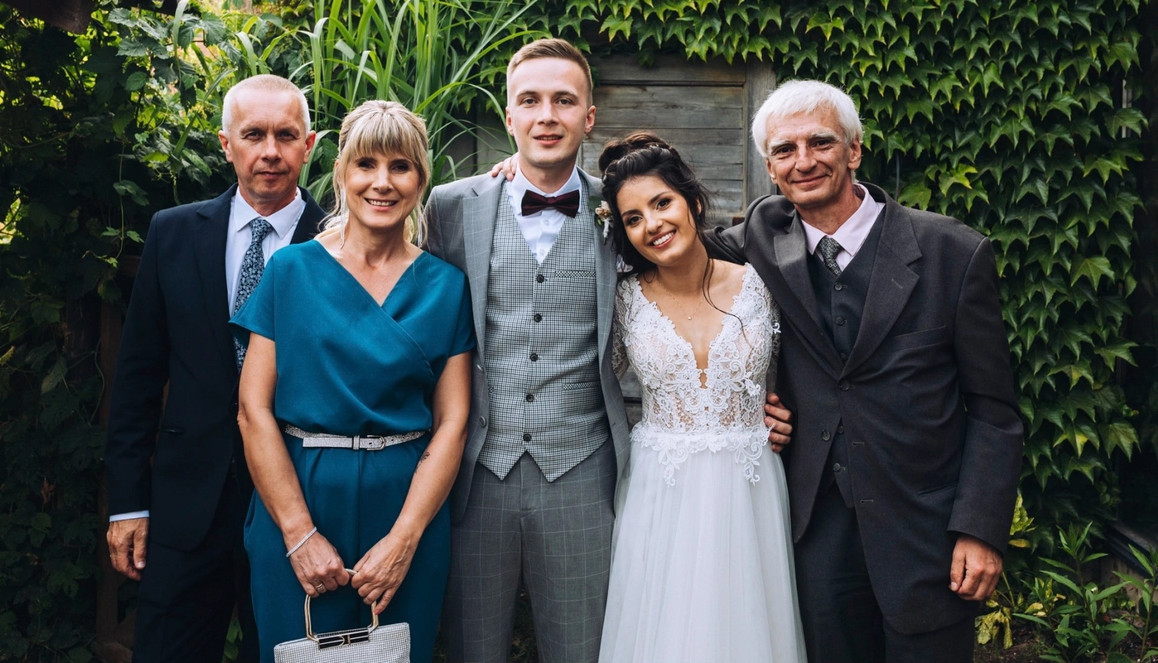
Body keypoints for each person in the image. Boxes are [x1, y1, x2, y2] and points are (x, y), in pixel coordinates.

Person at [438, 38, 795, 663]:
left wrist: (781, 405)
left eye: (563, 100)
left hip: (583, 473)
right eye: (530, 101)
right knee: (472, 648)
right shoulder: (451, 207)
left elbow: (708, 276)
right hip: (476, 474)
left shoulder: (623, 208)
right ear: (509, 115)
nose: (547, 115)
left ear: (589, 116)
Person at [707, 80, 1023, 663]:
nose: (804, 161)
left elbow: (994, 410)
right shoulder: (757, 240)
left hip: (927, 535)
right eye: (784, 150)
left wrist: (980, 529)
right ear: (770, 168)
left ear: (854, 150)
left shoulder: (953, 252)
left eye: (820, 142)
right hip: (816, 536)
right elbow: (660, 241)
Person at [230, 100, 475, 663]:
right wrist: (298, 533)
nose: (382, 182)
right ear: (341, 172)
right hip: (299, 496)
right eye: (366, 164)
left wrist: (405, 539)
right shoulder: (289, 270)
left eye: (400, 166)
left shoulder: (446, 286)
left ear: (421, 179)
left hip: (406, 505)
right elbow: (252, 409)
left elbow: (454, 420)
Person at [104, 74, 325, 663]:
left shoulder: (342, 240)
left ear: (308, 145)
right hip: (186, 505)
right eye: (253, 135)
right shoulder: (173, 232)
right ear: (226, 144)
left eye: (286, 135)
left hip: (302, 508)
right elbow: (137, 379)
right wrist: (129, 504)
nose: (270, 151)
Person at [595, 133, 807, 663]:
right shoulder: (622, 300)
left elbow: (811, 371)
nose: (652, 224)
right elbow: (586, 382)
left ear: (691, 200)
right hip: (660, 492)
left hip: (750, 486)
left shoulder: (763, 284)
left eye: (661, 203)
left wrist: (789, 413)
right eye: (633, 218)